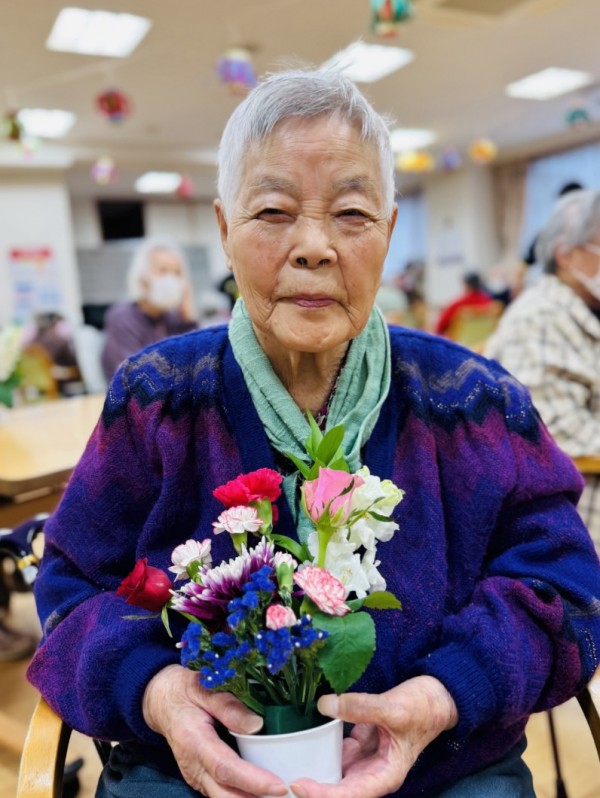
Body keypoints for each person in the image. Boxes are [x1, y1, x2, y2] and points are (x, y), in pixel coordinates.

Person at [27, 70, 600, 798]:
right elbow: (71, 584)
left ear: (389, 231)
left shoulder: (475, 400)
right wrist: (157, 691)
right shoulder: (156, 397)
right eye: (273, 211)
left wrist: (447, 692)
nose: (314, 246)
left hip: (442, 765)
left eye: (352, 213)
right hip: (194, 769)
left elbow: (567, 590)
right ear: (223, 230)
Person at [485, 188, 600, 553]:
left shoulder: (585, 308)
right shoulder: (541, 317)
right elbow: (554, 434)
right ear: (565, 254)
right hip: (575, 513)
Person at [100, 237, 198, 381]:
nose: (171, 279)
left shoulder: (174, 318)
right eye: (163, 271)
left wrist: (188, 318)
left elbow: (200, 364)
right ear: (142, 278)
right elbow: (134, 376)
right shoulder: (122, 317)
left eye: (177, 273)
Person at [434, 271, 494, 336]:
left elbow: (440, 326)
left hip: (457, 341)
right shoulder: (488, 302)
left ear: (465, 284)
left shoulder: (458, 304)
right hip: (483, 340)